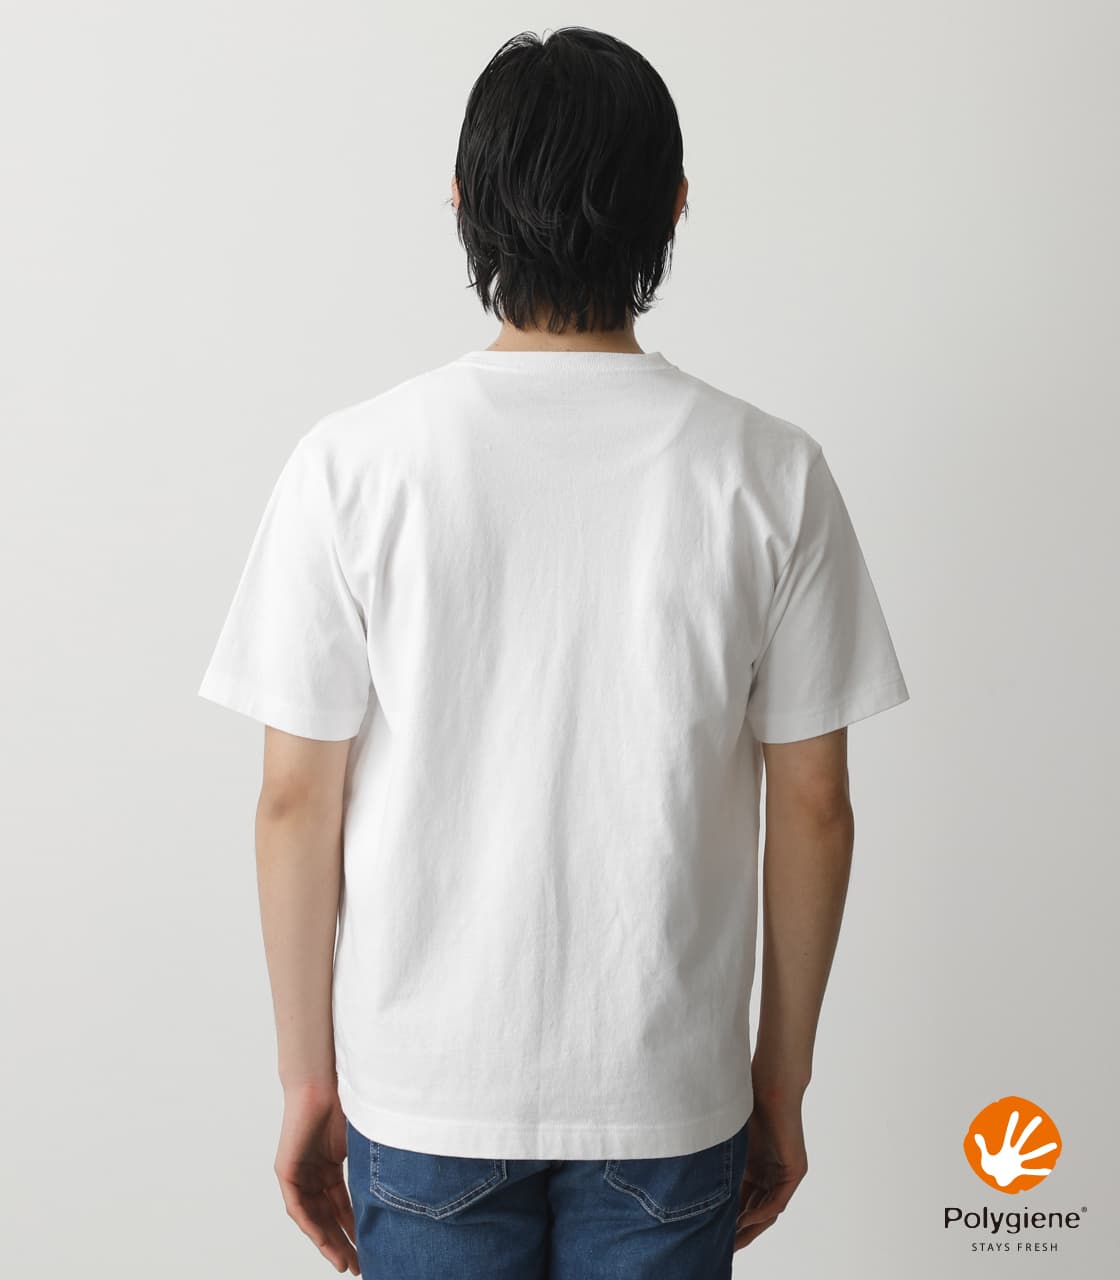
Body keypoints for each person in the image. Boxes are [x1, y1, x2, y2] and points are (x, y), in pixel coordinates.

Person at [197, 25, 910, 1280]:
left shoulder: (352, 465)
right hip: (666, 1092)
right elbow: (814, 802)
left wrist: (308, 1076)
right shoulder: (770, 472)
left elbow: (295, 797)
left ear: (462, 200)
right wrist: (779, 1079)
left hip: (426, 1089)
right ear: (674, 204)